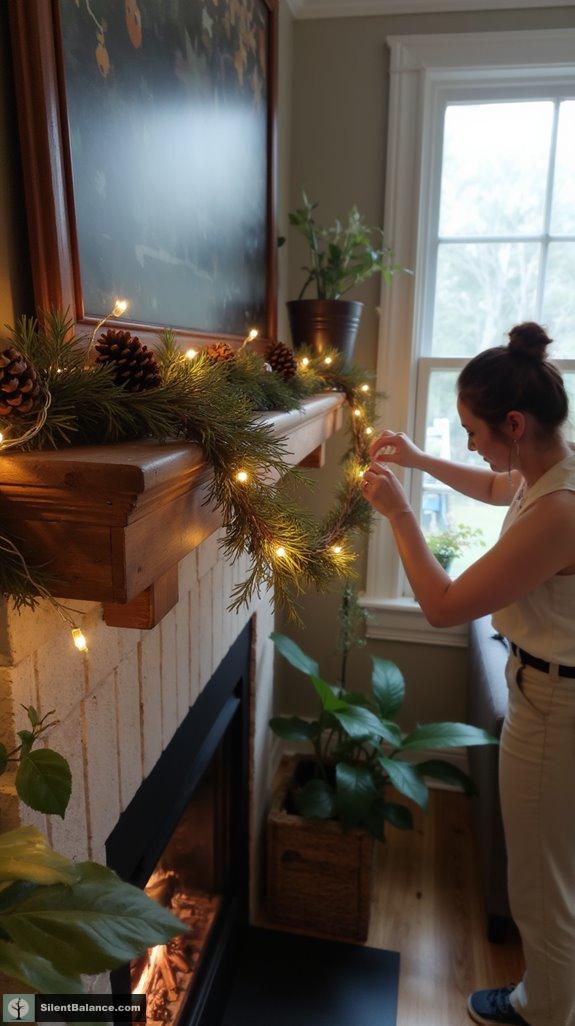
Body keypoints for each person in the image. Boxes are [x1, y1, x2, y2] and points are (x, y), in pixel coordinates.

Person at [362, 322, 575, 1026]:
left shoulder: (558, 514)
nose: (471, 446)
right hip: (546, 692)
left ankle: (544, 1010)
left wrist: (397, 514)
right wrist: (420, 459)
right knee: (549, 871)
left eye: (471, 431)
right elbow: (492, 486)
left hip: (553, 707)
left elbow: (443, 607)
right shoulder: (554, 469)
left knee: (539, 884)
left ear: (512, 423)